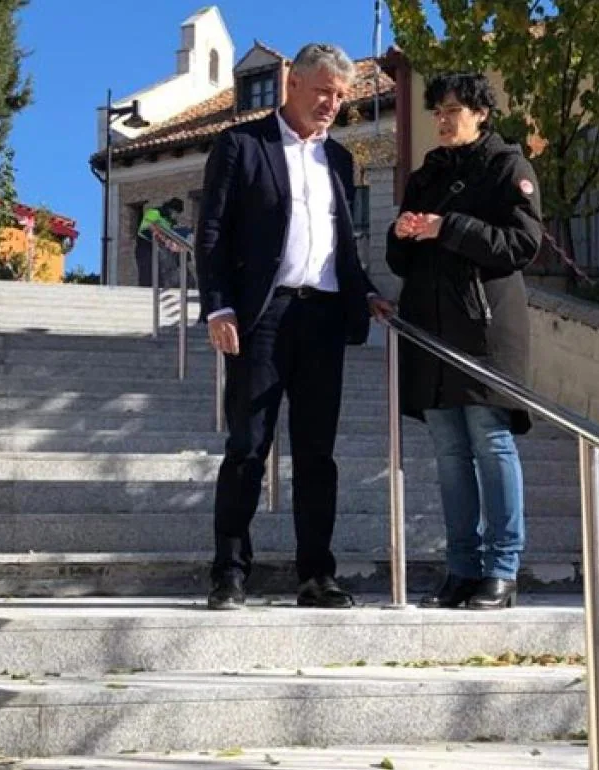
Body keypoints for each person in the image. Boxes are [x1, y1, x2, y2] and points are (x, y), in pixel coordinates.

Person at [195, 43, 394, 611]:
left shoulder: (338, 159)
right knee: (247, 447)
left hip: (323, 317)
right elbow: (211, 233)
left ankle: (316, 576)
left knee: (317, 454)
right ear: (293, 85)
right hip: (262, 317)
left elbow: (342, 248)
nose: (333, 104)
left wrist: (368, 294)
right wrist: (218, 306)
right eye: (325, 91)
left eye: (341, 96)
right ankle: (230, 573)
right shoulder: (241, 146)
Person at [387, 73, 544, 610]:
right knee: (450, 453)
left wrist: (446, 226)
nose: (444, 119)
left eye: (454, 109)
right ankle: (461, 569)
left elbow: (524, 244)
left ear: (481, 113)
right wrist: (403, 233)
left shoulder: (507, 166)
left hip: (484, 331)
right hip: (430, 334)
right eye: (438, 111)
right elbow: (400, 261)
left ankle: (502, 570)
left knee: (489, 443)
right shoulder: (425, 174)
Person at [135, 198, 185, 286]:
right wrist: (163, 237)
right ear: (170, 210)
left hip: (159, 246)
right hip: (145, 244)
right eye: (176, 213)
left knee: (161, 272)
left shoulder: (170, 221)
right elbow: (146, 229)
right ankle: (146, 291)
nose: (176, 216)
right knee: (146, 271)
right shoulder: (155, 212)